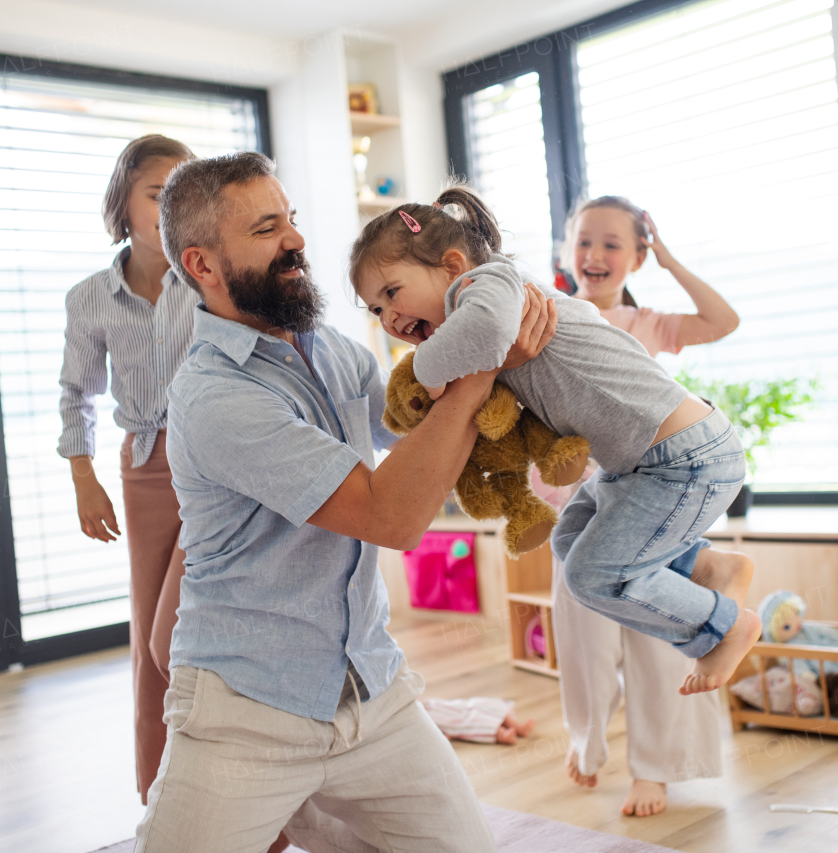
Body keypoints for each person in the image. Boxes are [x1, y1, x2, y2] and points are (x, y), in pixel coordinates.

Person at [134, 152, 557, 853]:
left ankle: (306, 809)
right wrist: (483, 361)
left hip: (371, 695)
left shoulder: (326, 349)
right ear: (202, 265)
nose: (296, 239)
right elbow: (389, 515)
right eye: (268, 228)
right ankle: (290, 802)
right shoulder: (214, 395)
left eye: (291, 219)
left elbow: (415, 416)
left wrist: (484, 315)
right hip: (249, 713)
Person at [350, 187, 759, 696]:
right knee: (570, 542)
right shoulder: (476, 301)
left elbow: (486, 333)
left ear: (452, 265)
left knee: (592, 576)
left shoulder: (485, 284)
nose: (388, 318)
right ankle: (708, 564)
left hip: (683, 458)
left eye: (392, 293)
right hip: (641, 463)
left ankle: (724, 625)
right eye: (375, 310)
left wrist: (427, 368)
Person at [544, 195, 750, 816]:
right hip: (572, 507)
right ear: (566, 251)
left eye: (612, 244)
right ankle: (587, 742)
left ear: (636, 255)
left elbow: (723, 320)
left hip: (644, 494)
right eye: (584, 241)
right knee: (580, 637)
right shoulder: (547, 318)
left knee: (656, 638)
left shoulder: (649, 325)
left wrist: (668, 259)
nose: (595, 255)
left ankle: (656, 769)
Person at [56, 134, 197, 805]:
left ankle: (243, 787)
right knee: (150, 644)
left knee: (183, 634)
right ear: (125, 202)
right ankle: (161, 798)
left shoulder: (209, 279)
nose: (170, 204)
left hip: (219, 464)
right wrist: (84, 477)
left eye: (183, 191)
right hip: (143, 471)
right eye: (156, 192)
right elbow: (76, 392)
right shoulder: (90, 298)